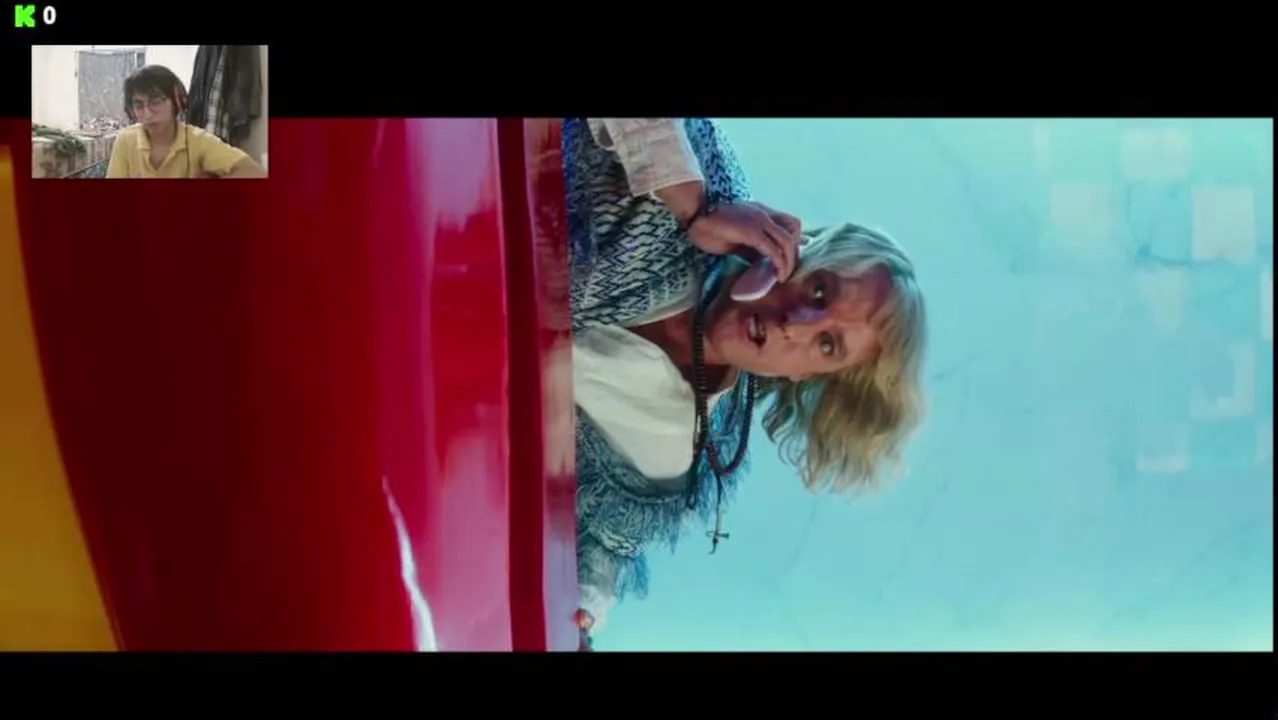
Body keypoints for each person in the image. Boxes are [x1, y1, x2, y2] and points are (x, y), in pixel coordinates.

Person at [568, 119, 928, 651]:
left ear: (806, 376)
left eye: (827, 344)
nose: (796, 324)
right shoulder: (704, 182)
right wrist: (692, 207)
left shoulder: (682, 450)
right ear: (796, 251)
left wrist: (577, 621)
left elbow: (602, 548)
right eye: (820, 290)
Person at [105, 65, 267, 180]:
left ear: (178, 101)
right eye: (139, 105)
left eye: (156, 102)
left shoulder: (199, 140)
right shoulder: (125, 140)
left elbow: (255, 172)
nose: (147, 114)